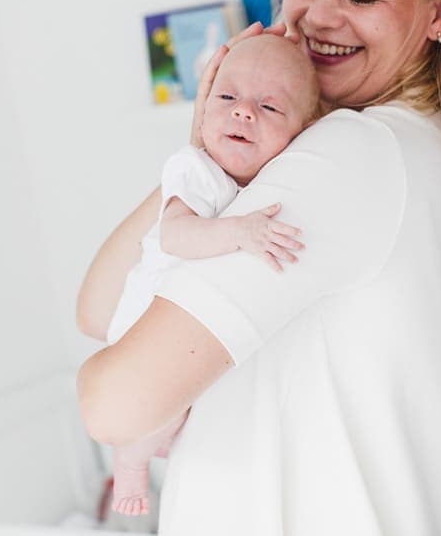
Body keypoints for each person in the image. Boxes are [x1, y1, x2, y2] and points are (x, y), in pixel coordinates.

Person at [76, 0, 441, 535]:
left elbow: (112, 406)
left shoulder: (351, 153)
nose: (319, 17)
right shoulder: (399, 146)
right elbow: (102, 307)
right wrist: (206, 156)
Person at [105, 35, 322, 517]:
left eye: (269, 106)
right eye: (227, 97)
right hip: (144, 323)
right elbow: (177, 236)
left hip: (180, 327)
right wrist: (241, 232)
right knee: (163, 407)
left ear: (303, 132)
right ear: (202, 114)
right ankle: (130, 462)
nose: (243, 111)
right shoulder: (196, 169)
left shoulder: (262, 183)